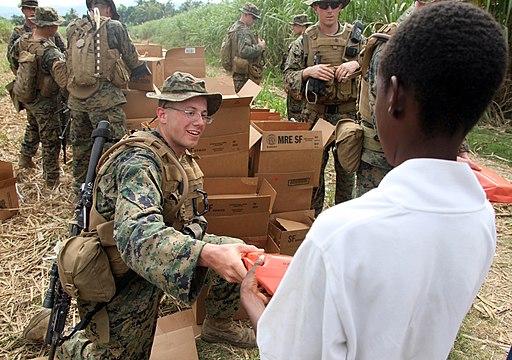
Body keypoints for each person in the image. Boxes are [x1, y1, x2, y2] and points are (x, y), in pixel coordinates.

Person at [241, 2, 506, 359]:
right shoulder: (480, 218)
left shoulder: (338, 237)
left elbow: (290, 352)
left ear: (393, 96)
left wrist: (255, 308)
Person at [50, 72, 261, 358]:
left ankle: (219, 325)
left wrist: (212, 249)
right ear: (162, 114)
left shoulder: (173, 151)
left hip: (157, 255)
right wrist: (206, 253)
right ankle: (63, 341)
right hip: (120, 273)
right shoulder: (139, 163)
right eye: (189, 112)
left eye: (203, 114)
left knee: (238, 254)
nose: (199, 122)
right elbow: (137, 235)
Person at [355, 0, 472, 197]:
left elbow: (446, 102)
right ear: (420, 6)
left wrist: (459, 149)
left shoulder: (439, 46)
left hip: (421, 159)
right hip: (381, 160)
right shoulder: (390, 47)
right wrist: (435, 157)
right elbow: (385, 119)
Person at [283, 0, 362, 216]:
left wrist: (356, 64)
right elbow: (288, 78)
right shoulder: (304, 41)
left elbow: (375, 65)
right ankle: (314, 222)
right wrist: (309, 72)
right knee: (313, 176)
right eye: (324, 5)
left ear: (341, 7)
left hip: (348, 117)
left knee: (347, 174)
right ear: (315, 8)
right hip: (316, 115)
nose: (329, 10)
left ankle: (343, 222)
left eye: (334, 4)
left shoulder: (356, 39)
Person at [66, 0, 140, 194]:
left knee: (81, 146)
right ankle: (110, 191)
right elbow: (132, 58)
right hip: (105, 100)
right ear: (108, 8)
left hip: (76, 100)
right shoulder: (114, 26)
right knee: (114, 145)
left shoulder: (73, 28)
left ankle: (79, 190)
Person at [9, 7, 66, 186]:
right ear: (49, 27)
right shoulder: (50, 52)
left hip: (28, 95)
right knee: (51, 140)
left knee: (33, 126)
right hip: (45, 100)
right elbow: (63, 79)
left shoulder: (22, 41)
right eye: (55, 25)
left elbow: (12, 61)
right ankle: (51, 179)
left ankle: (25, 158)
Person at [226, 2, 266, 93]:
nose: (254, 20)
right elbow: (244, 51)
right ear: (245, 15)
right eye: (253, 17)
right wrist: (260, 47)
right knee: (244, 102)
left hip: (235, 72)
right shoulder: (243, 31)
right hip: (243, 76)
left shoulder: (233, 28)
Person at [280, 14, 312, 121]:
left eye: (295, 25)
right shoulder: (304, 41)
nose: (293, 27)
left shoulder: (302, 42)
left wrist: (289, 82)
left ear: (302, 26)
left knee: (296, 118)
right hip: (300, 85)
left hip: (299, 88)